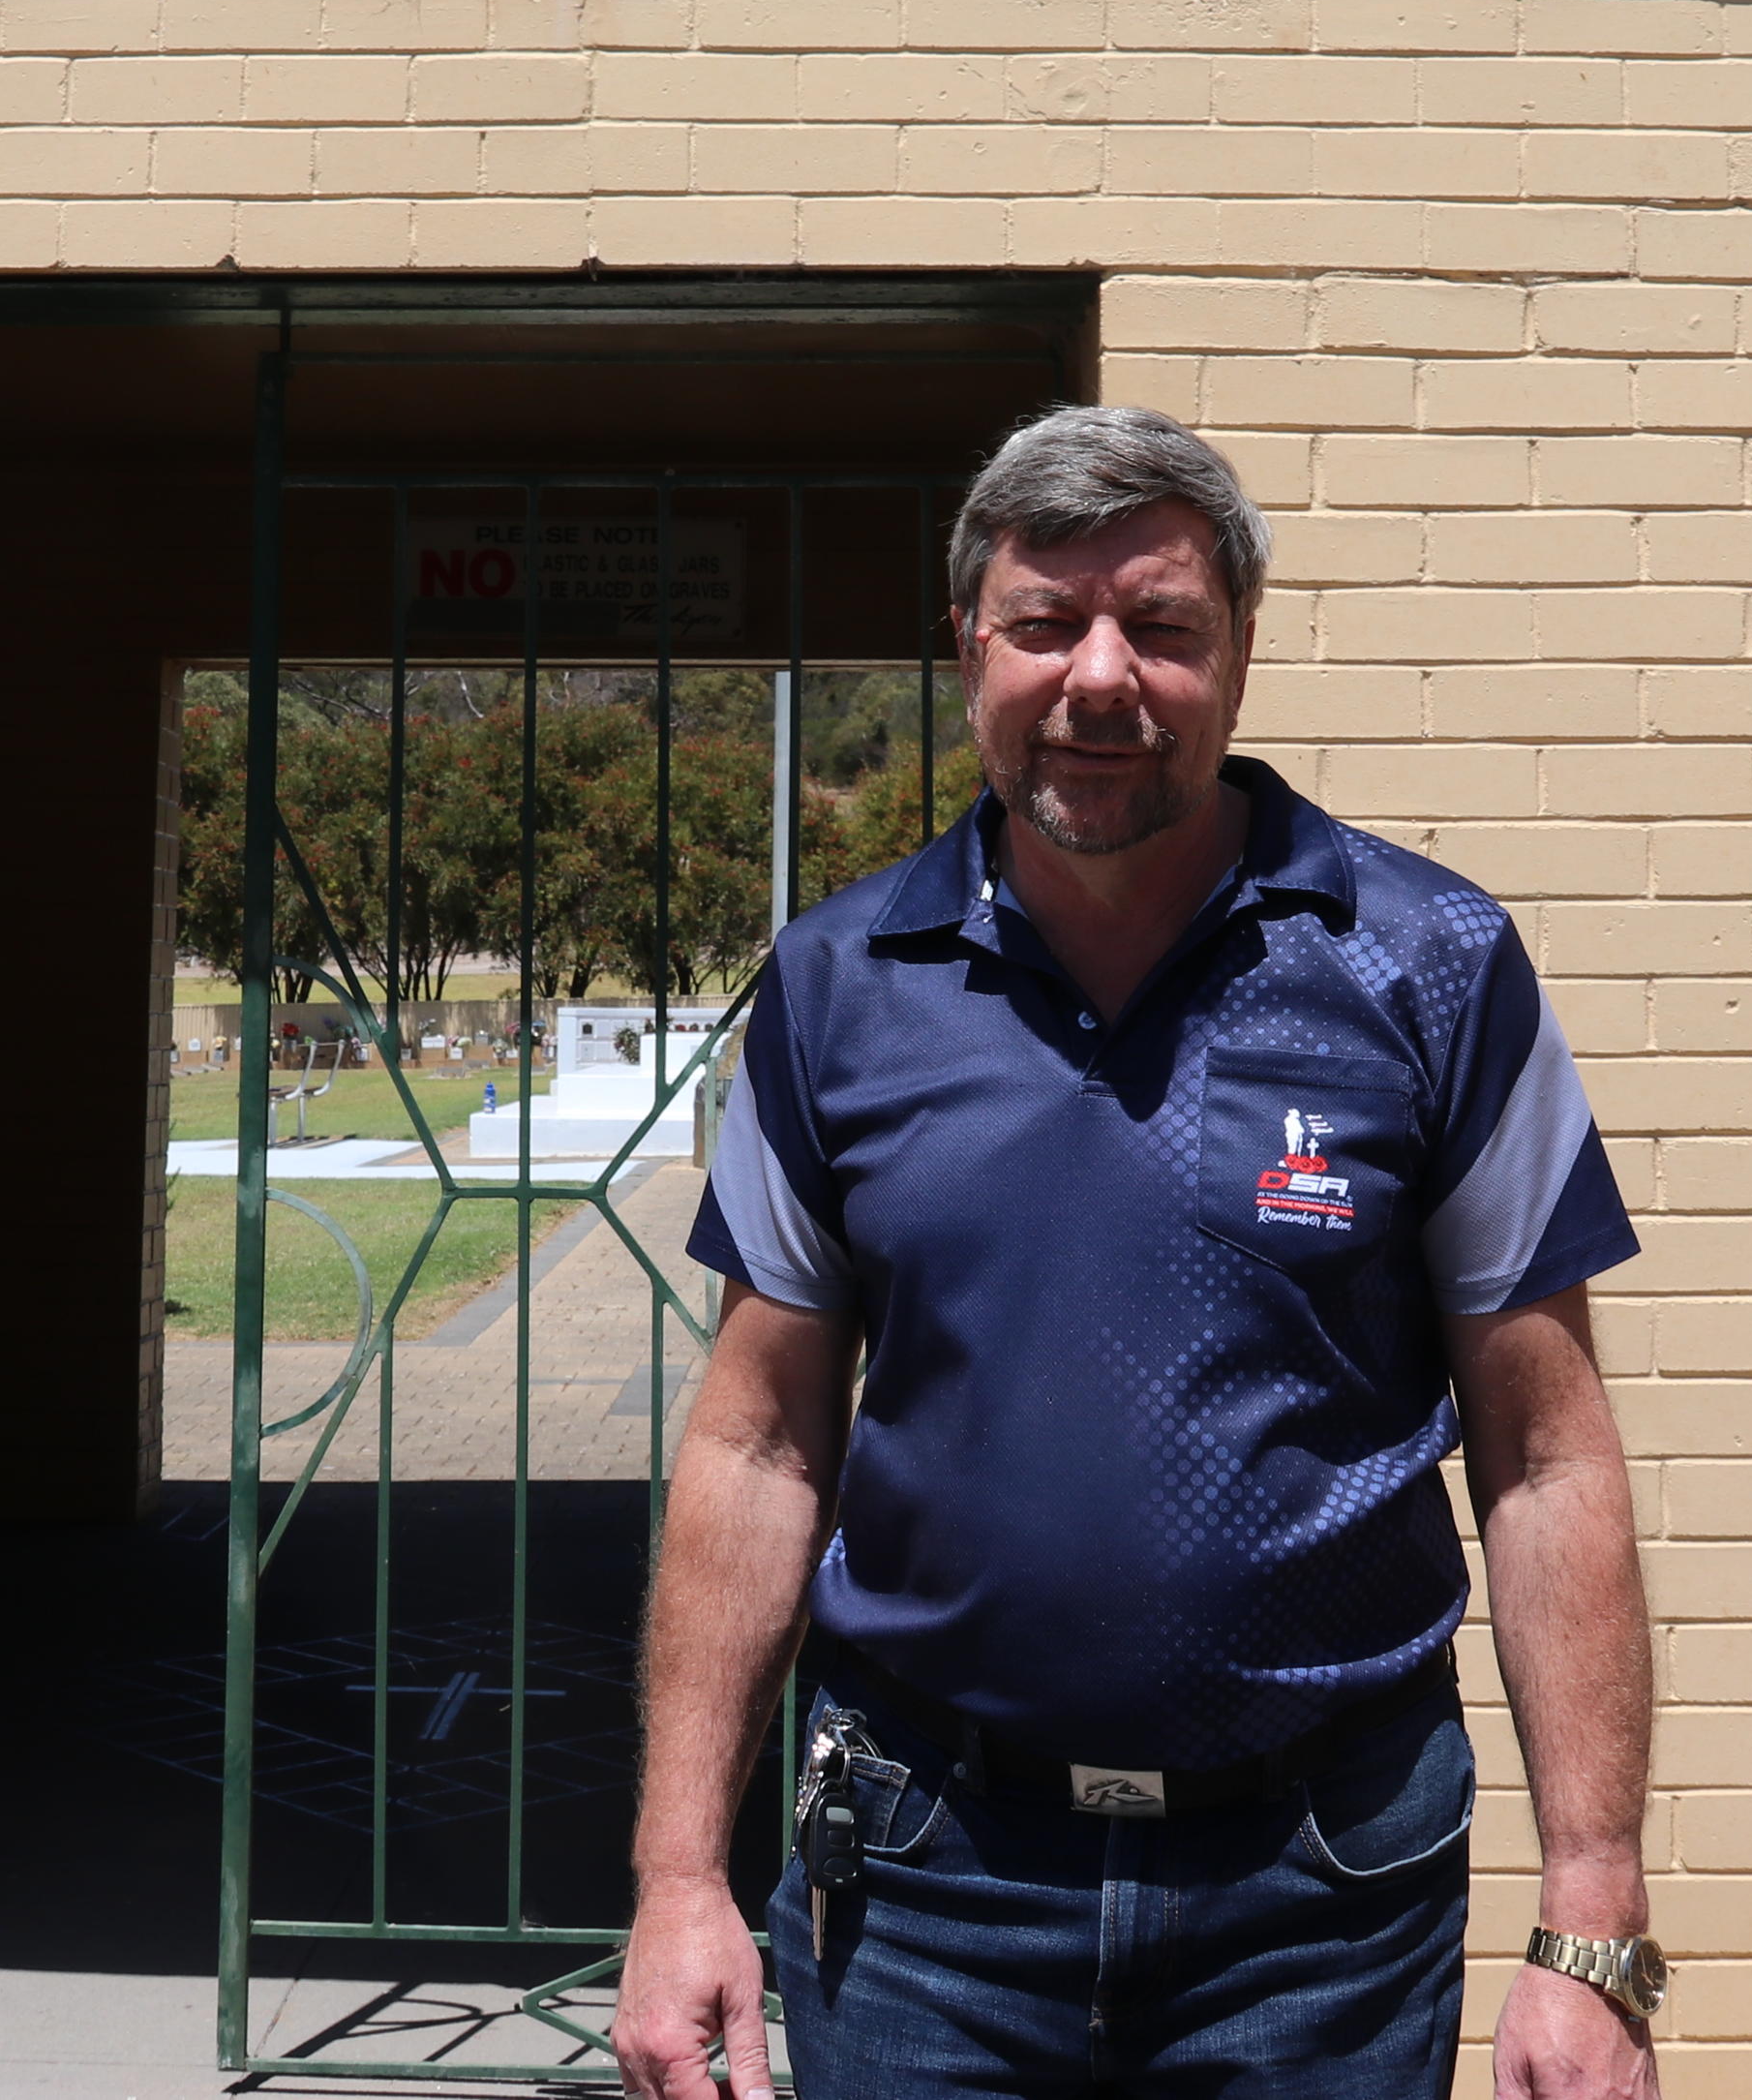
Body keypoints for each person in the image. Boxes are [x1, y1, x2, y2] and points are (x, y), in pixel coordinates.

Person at [614, 406, 1663, 2100]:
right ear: (970, 645)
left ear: (1239, 652)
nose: (1101, 675)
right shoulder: (839, 986)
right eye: (1046, 622)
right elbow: (758, 1439)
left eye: (1161, 625)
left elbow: (1545, 1458)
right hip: (923, 1885)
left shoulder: (1432, 969)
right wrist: (678, 1884)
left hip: (1323, 1895)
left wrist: (1592, 1927)